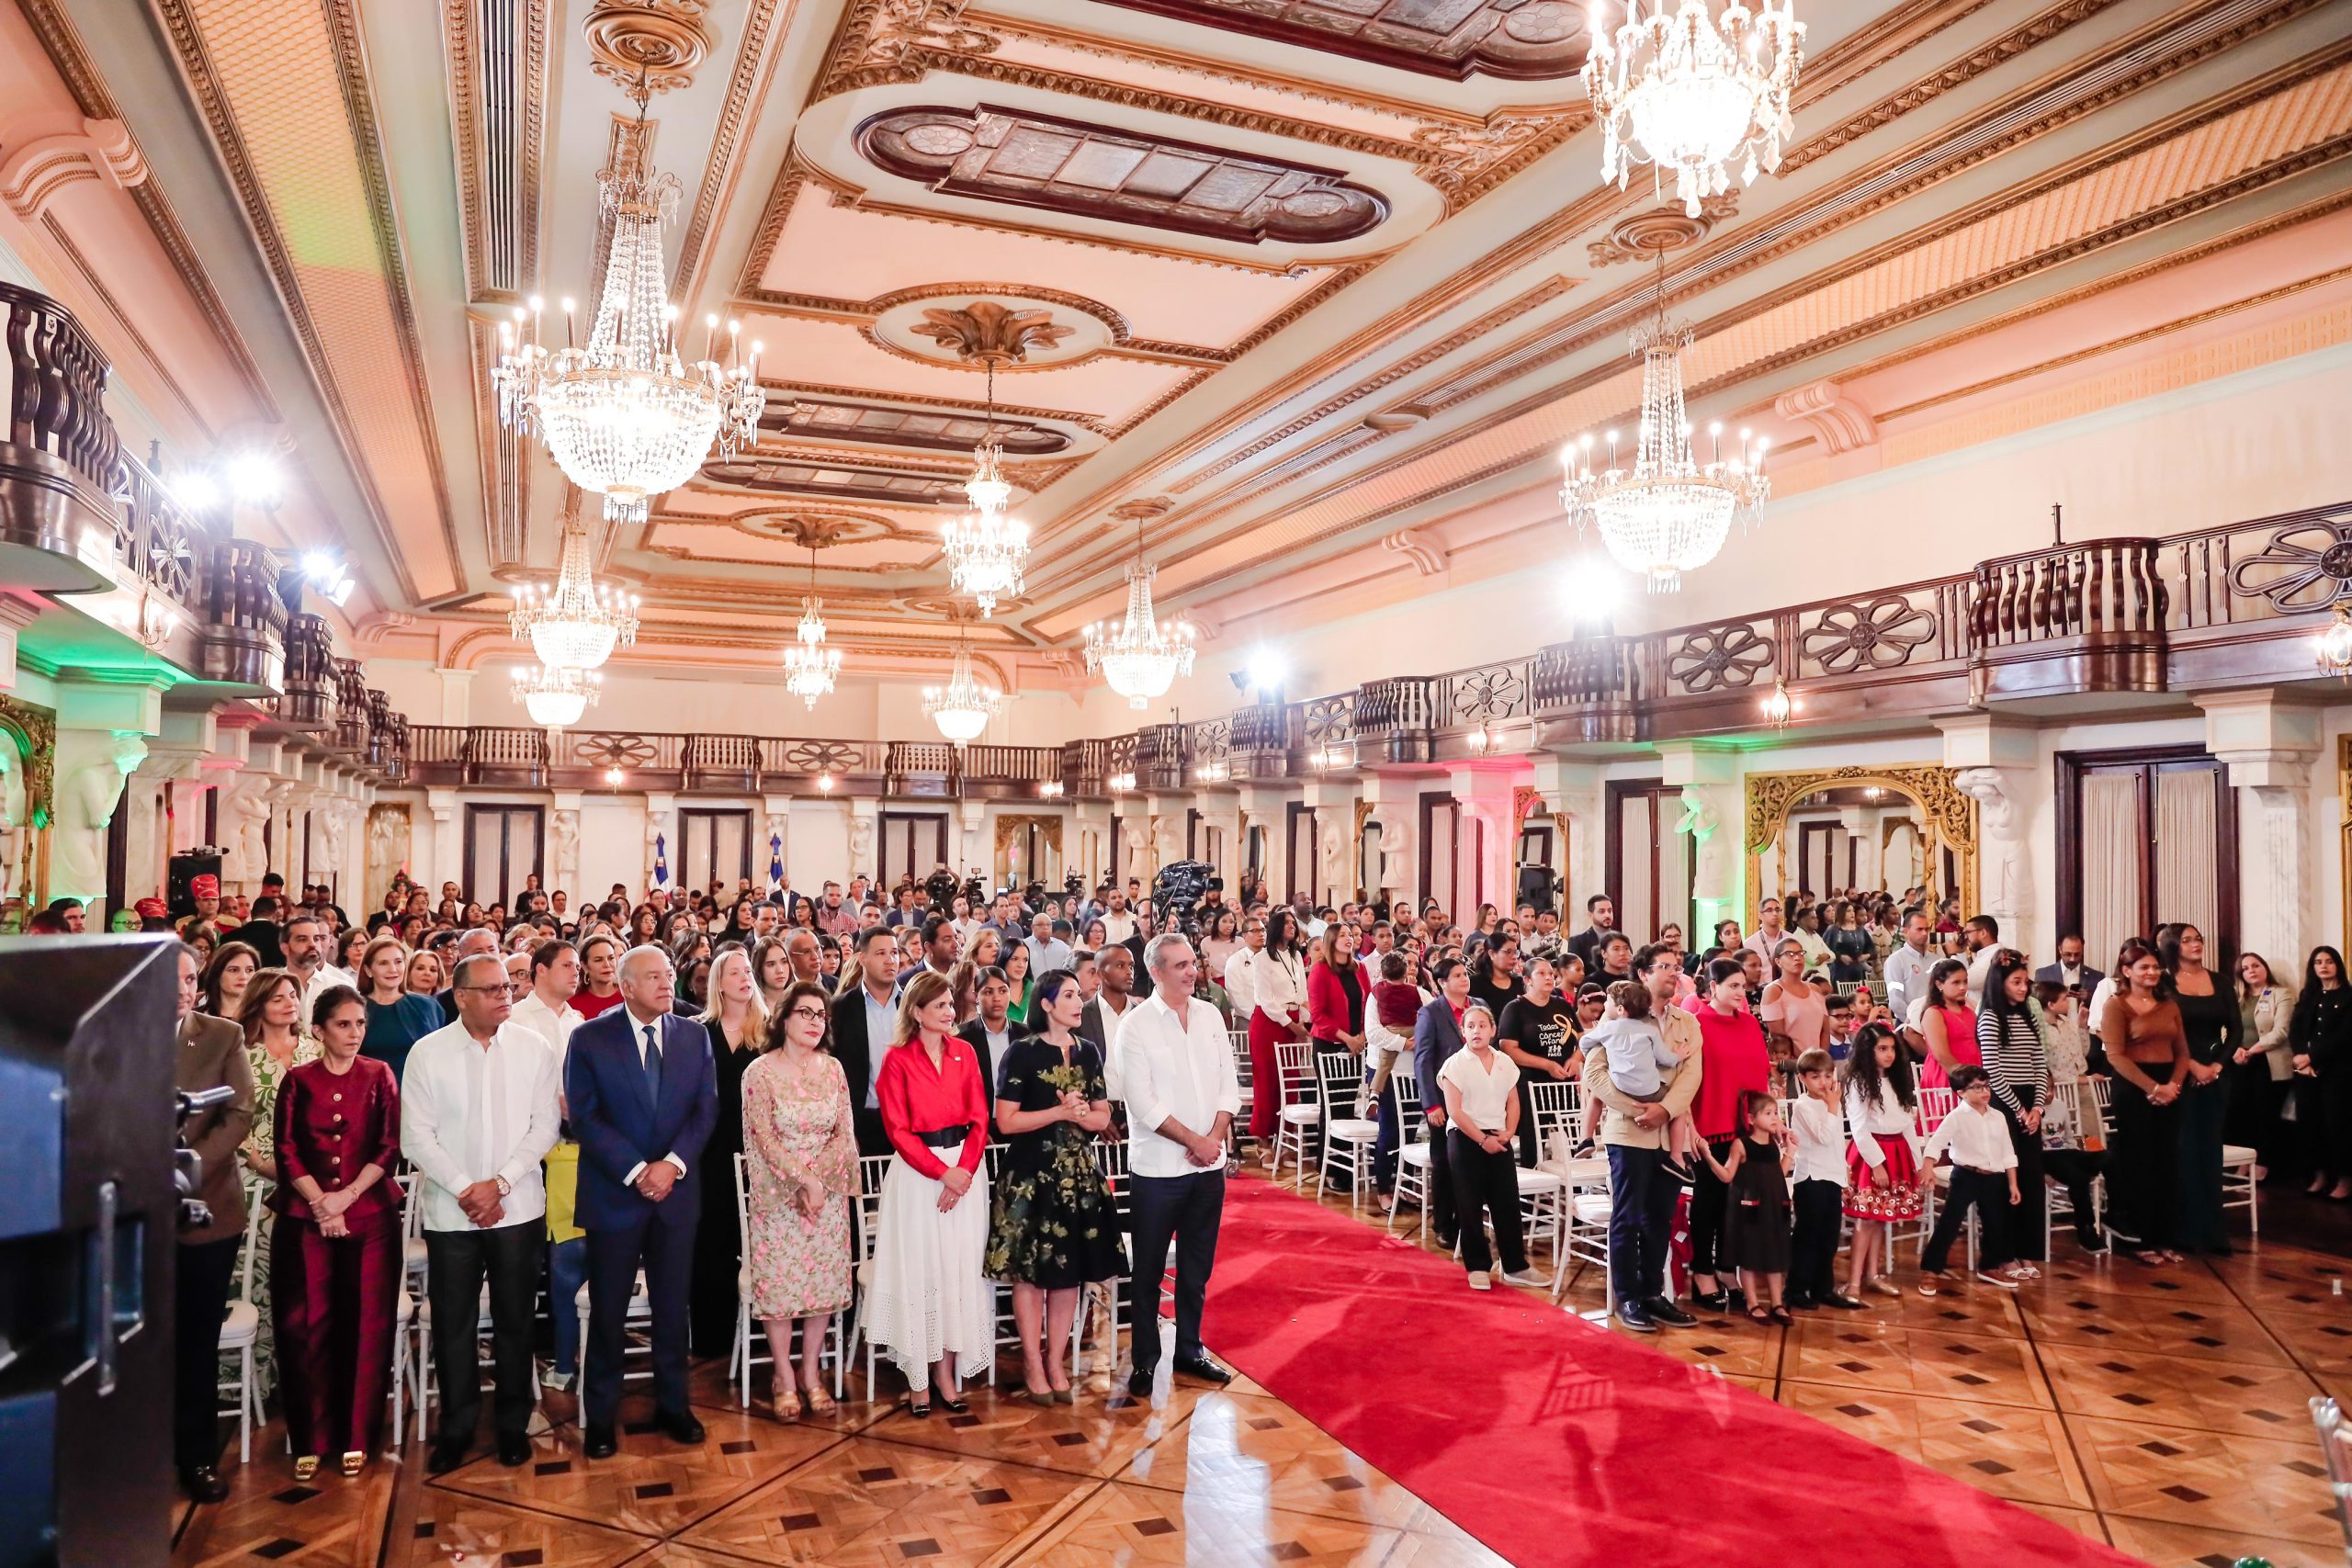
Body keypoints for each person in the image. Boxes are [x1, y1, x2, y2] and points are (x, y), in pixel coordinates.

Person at [401, 952, 562, 1472]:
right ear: (462, 995)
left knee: (517, 1319)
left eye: (508, 988)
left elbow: (544, 1128)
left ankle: (513, 1423)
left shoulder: (533, 1048)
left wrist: (498, 1184)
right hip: (452, 1213)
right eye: (492, 989)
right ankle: (457, 1426)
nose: (505, 996)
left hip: (517, 1207)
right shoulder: (428, 1053)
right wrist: (465, 1188)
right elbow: (415, 1135)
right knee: (454, 1322)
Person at [567, 946, 719, 1457]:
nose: (665, 983)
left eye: (668, 974)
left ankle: (674, 1405)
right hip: (616, 1194)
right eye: (653, 977)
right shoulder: (590, 1038)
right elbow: (585, 1118)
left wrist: (671, 1165)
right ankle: (602, 1417)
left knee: (673, 1309)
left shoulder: (694, 1034)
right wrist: (638, 1171)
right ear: (626, 986)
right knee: (609, 1310)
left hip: (675, 1194)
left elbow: (705, 1110)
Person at [271, 987, 403, 1479]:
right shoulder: (298, 1080)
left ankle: (356, 1436)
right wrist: (319, 1203)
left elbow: (388, 1146)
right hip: (305, 1219)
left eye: (360, 1024)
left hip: (368, 1216)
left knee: (367, 1325)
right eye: (344, 1025)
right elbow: (286, 1149)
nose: (354, 1034)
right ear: (319, 1030)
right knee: (305, 1326)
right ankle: (310, 1437)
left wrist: (345, 1199)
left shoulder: (379, 1075)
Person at [987, 967, 1125, 1404]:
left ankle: (1055, 1360)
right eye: (1068, 995)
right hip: (1031, 1175)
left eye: (1077, 995)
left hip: (1077, 1174)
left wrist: (1083, 1115)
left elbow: (1104, 1118)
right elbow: (1005, 1121)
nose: (1077, 1002)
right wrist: (1059, 1114)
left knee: (1068, 1277)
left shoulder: (1088, 1051)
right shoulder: (1022, 1053)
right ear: (1046, 1004)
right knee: (1030, 1276)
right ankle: (1031, 1362)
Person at [1117, 935, 1240, 1398]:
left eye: (1193, 963)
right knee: (1147, 1271)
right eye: (1181, 966)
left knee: (1197, 1268)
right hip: (1157, 1171)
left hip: (1206, 1168)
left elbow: (1229, 1086)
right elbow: (1142, 1104)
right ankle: (1146, 1359)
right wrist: (1195, 1141)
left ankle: (1190, 1348)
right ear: (1157, 972)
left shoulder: (1210, 1015)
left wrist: (1213, 1139)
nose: (1192, 972)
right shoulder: (1136, 1026)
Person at [868, 971, 994, 1416]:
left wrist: (964, 1170)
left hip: (965, 1170)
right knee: (923, 1270)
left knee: (957, 1269)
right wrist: (943, 1173)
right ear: (917, 1012)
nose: (949, 1011)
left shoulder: (965, 1053)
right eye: (938, 1005)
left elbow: (981, 1116)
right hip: (920, 1176)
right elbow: (897, 1130)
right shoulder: (897, 1058)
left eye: (949, 1004)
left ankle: (948, 1374)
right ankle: (920, 1376)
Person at [741, 980, 856, 1417]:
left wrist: (820, 1182)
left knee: (821, 1286)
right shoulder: (760, 1072)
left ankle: (811, 1373)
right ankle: (783, 1375)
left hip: (825, 1195)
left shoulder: (834, 1069)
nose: (814, 1022)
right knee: (783, 1286)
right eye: (805, 1013)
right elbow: (762, 1139)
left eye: (820, 1015)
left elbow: (844, 1133)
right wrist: (801, 1181)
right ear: (784, 1017)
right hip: (778, 1197)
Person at [1581, 944, 1702, 1332]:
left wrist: (1664, 1111)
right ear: (1643, 974)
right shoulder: (1619, 1015)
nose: (1673, 971)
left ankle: (1652, 1292)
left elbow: (1691, 1075)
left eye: (1677, 966)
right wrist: (1639, 1110)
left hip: (1670, 1135)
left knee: (1660, 1219)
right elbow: (1594, 1075)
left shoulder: (1687, 1022)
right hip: (1628, 1132)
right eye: (1664, 966)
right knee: (1628, 1218)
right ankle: (1628, 1296)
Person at [174, 943, 254, 1503]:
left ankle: (197, 1456)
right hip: (131, 1214)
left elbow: (239, 1113)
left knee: (196, 1339)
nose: (180, 988)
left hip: (204, 1209)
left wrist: (184, 1169)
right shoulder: (113, 1035)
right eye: (167, 978)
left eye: (186, 978)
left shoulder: (222, 1036)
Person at [691, 946, 768, 1359]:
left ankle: (759, 1335)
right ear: (719, 982)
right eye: (734, 972)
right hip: (710, 1150)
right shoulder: (698, 1030)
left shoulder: (769, 1031)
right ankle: (712, 1337)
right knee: (713, 1240)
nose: (744, 978)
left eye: (747, 972)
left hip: (760, 1151)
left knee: (758, 1240)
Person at [1436, 1000, 1544, 1292]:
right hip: (1466, 1137)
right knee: (1469, 1204)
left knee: (1507, 1202)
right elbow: (1455, 1111)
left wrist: (1508, 1133)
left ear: (1493, 1030)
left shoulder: (1504, 1062)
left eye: (1482, 1025)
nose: (1476, 1031)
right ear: (1463, 1032)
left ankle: (1515, 1264)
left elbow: (1513, 1102)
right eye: (1470, 1026)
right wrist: (1482, 1140)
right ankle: (1478, 1266)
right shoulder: (1454, 1065)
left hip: (1500, 1135)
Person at [1686, 956, 1770, 1311]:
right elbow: (1685, 1081)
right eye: (1732, 985)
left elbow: (1760, 1074)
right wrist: (1689, 1126)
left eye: (1742, 985)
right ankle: (1701, 1270)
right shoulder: (1696, 1024)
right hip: (1709, 1124)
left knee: (1738, 1205)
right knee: (1709, 1203)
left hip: (1744, 1126)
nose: (1741, 991)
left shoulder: (1750, 1024)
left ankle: (1725, 1267)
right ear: (1712, 988)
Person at [2098, 939, 2189, 1265]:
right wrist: (2153, 1087)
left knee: (2168, 1162)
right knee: (2138, 1164)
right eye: (2144, 967)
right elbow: (2116, 1057)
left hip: (2170, 1085)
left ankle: (2166, 1237)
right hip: (2134, 1089)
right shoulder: (2116, 1005)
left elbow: (2183, 1052)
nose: (2152, 972)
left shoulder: (2169, 1004)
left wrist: (2174, 1084)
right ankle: (2138, 1239)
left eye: (2155, 966)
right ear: (2127, 971)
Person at [1917, 1064, 2028, 1291]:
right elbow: (1936, 1143)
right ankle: (1931, 1269)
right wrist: (1928, 1167)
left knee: (1996, 1222)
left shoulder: (1997, 1117)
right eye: (1977, 1088)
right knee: (1950, 1222)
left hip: (1993, 1177)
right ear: (1961, 1093)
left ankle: (1990, 1266)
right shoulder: (1956, 1117)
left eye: (1987, 1086)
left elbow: (2008, 1152)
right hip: (1965, 1176)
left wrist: (2013, 1183)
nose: (1985, 1092)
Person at [2163, 924, 2236, 1256]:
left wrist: (2217, 1066)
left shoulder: (2220, 981)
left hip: (2216, 1071)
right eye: (2187, 940)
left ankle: (2213, 1231)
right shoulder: (2165, 981)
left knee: (2211, 1150)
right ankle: (2185, 1230)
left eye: (2198, 939)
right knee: (2184, 1150)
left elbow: (2234, 1030)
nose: (2196, 944)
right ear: (2174, 946)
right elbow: (2167, 1030)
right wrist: (2191, 1066)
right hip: (2180, 1070)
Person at [1840, 1023, 1922, 1300]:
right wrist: (1876, 1163)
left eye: (1892, 1049)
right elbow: (1859, 1127)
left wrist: (1917, 1162)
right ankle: (1853, 1282)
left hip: (1897, 1152)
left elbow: (1907, 1123)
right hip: (1871, 1154)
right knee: (1865, 1220)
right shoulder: (1858, 1082)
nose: (1889, 1055)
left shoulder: (1898, 1079)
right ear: (1868, 1050)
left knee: (1880, 1218)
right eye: (1882, 1049)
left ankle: (1873, 1274)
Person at [1701, 1091, 1792, 1324]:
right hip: (1749, 1209)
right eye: (1768, 1113)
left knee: (1774, 1255)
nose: (1774, 1118)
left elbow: (1777, 1175)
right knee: (1749, 1255)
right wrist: (1708, 1157)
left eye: (1776, 1113)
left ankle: (1777, 1303)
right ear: (1751, 1119)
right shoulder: (1741, 1145)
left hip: (1771, 1207)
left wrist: (1790, 1153)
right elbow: (1727, 1175)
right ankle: (1752, 1303)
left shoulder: (1773, 1144)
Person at [1785, 1049, 1857, 1311]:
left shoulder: (1831, 1103)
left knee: (1829, 1237)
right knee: (1808, 1236)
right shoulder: (1804, 1106)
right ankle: (1795, 1289)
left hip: (1832, 1176)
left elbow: (1837, 1142)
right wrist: (1832, 1107)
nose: (1824, 1082)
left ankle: (1822, 1288)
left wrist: (1844, 1172)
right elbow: (1823, 1137)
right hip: (1811, 1178)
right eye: (1816, 1077)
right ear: (1803, 1078)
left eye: (1828, 1075)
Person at [1412, 958, 1474, 1250]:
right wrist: (1431, 1104)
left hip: (1476, 1097)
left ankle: (1468, 1224)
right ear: (1442, 982)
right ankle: (1444, 1225)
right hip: (1445, 1098)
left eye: (1465, 974)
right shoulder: (1431, 1012)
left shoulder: (1478, 1006)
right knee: (1445, 1163)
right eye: (1457, 976)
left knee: (1473, 1165)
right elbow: (1423, 1060)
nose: (1464, 979)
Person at [1496, 957, 1577, 1168]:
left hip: (1564, 1084)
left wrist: (1576, 1058)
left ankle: (1572, 1189)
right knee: (1533, 1144)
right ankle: (1531, 1194)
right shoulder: (1515, 1008)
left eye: (1551, 973)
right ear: (1528, 980)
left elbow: (1583, 1037)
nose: (1549, 977)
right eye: (1541, 973)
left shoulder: (1562, 1004)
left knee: (1571, 1140)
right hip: (1531, 1084)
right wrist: (1547, 1065)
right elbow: (1508, 1049)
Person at [1238, 909, 1307, 1152]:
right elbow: (1265, 1001)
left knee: (1290, 1083)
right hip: (1270, 1024)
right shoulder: (1262, 959)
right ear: (1277, 927)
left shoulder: (1296, 956)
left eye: (1293, 923)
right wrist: (1292, 1025)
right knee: (1267, 1084)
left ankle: (1286, 1140)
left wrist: (1305, 1024)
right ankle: (1263, 1141)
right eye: (1287, 923)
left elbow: (1303, 994)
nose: (1292, 926)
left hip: (1294, 1020)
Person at [831, 926, 902, 1156]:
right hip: (860, 1121)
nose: (890, 960)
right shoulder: (840, 1008)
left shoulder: (912, 1005)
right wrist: (842, 1128)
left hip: (908, 1120)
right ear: (862, 958)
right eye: (881, 953)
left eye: (894, 953)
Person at [2291, 946, 2352, 1200]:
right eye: (2318, 962)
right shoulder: (2309, 995)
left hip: (2337, 1071)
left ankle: (2345, 1179)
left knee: (2337, 1125)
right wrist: (2299, 1056)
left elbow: (2345, 1035)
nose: (2323, 966)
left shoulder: (2348, 996)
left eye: (2329, 961)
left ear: (2338, 964)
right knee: (2311, 1125)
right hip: (2306, 1072)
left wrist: (2312, 1057)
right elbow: (2295, 1029)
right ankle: (2319, 1175)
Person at [2233, 952, 2294, 1184]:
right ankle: (2243, 1160)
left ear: (2265, 968)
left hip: (2267, 1061)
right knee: (2242, 1114)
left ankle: (2262, 1162)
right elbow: (2226, 1028)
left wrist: (2252, 1050)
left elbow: (2281, 1031)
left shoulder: (2281, 994)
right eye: (2246, 968)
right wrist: (2235, 1050)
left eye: (2256, 965)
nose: (2251, 971)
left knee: (2264, 1114)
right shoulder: (2239, 997)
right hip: (2240, 1061)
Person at [356, 935, 440, 1086]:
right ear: (368, 970)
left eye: (398, 962)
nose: (393, 969)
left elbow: (438, 1057)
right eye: (383, 963)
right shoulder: (353, 1007)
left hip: (417, 1095)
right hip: (367, 1095)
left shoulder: (427, 1006)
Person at [958, 964, 1026, 1108]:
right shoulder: (961, 1037)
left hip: (1021, 1121)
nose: (997, 998)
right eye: (988, 992)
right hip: (979, 1123)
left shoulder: (1027, 1035)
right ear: (976, 996)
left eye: (1003, 991)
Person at [1758, 940, 1826, 1062]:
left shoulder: (1815, 989)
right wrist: (1806, 1061)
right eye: (1790, 954)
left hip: (1818, 1062)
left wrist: (1821, 1059)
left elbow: (1825, 1030)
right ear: (1778, 962)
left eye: (1800, 953)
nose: (1797, 958)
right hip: (1791, 1062)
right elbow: (1779, 1036)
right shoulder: (1773, 991)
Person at [1917, 958, 1979, 1089]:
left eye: (1965, 981)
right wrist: (1965, 1082)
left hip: (1974, 1076)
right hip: (1948, 1078)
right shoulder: (1933, 1013)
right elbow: (1941, 1055)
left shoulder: (1969, 1011)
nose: (1962, 987)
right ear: (1939, 985)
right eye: (1956, 982)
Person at [1882, 909, 1936, 1026]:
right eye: (1919, 929)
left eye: (1927, 929)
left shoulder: (1935, 959)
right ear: (1906, 931)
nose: (1924, 933)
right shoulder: (1896, 961)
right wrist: (1913, 1021)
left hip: (1934, 1021)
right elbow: (1895, 1000)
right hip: (1910, 1023)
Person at [572, 931, 626, 1020]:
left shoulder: (630, 996)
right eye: (598, 960)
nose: (607, 965)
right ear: (584, 966)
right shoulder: (572, 1002)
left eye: (611, 958)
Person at [2035, 934, 2103, 995]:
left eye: (2077, 954)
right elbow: (2037, 1002)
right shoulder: (2043, 975)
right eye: (2068, 954)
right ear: (2060, 950)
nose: (2072, 959)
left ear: (2082, 950)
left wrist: (2087, 998)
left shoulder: (2097, 977)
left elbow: (2101, 1004)